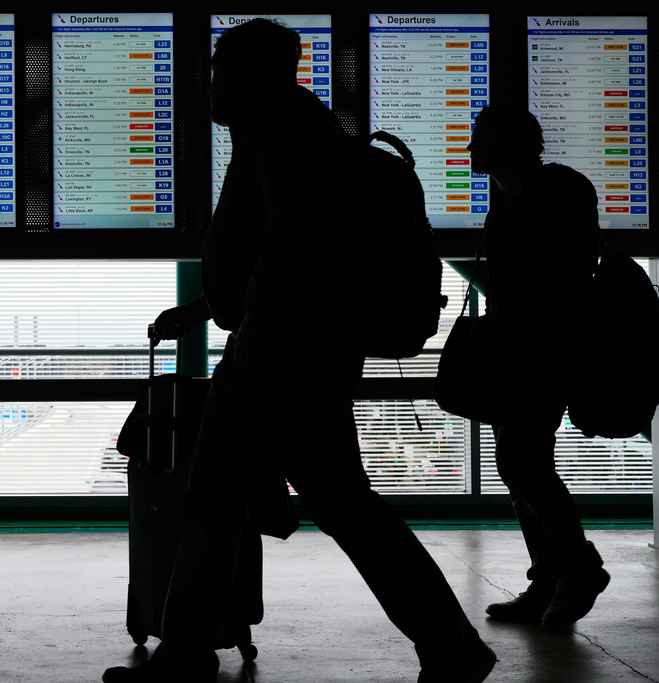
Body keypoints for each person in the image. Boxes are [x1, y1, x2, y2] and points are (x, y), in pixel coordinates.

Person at [103, 19, 495, 683]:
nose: (210, 87)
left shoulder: (287, 121)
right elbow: (268, 246)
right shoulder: (274, 126)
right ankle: (185, 652)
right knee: (214, 499)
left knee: (338, 502)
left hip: (287, 352)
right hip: (267, 347)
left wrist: (251, 320)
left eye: (220, 72)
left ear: (254, 72)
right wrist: (205, 308)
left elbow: (294, 235)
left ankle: (451, 645)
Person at [466, 105, 609, 625]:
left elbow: (574, 272)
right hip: (518, 351)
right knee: (519, 463)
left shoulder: (557, 190)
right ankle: (550, 578)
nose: (469, 148)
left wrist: (510, 319)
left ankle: (576, 569)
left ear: (509, 142)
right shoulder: (507, 198)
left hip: (549, 348)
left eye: (479, 136)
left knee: (522, 461)